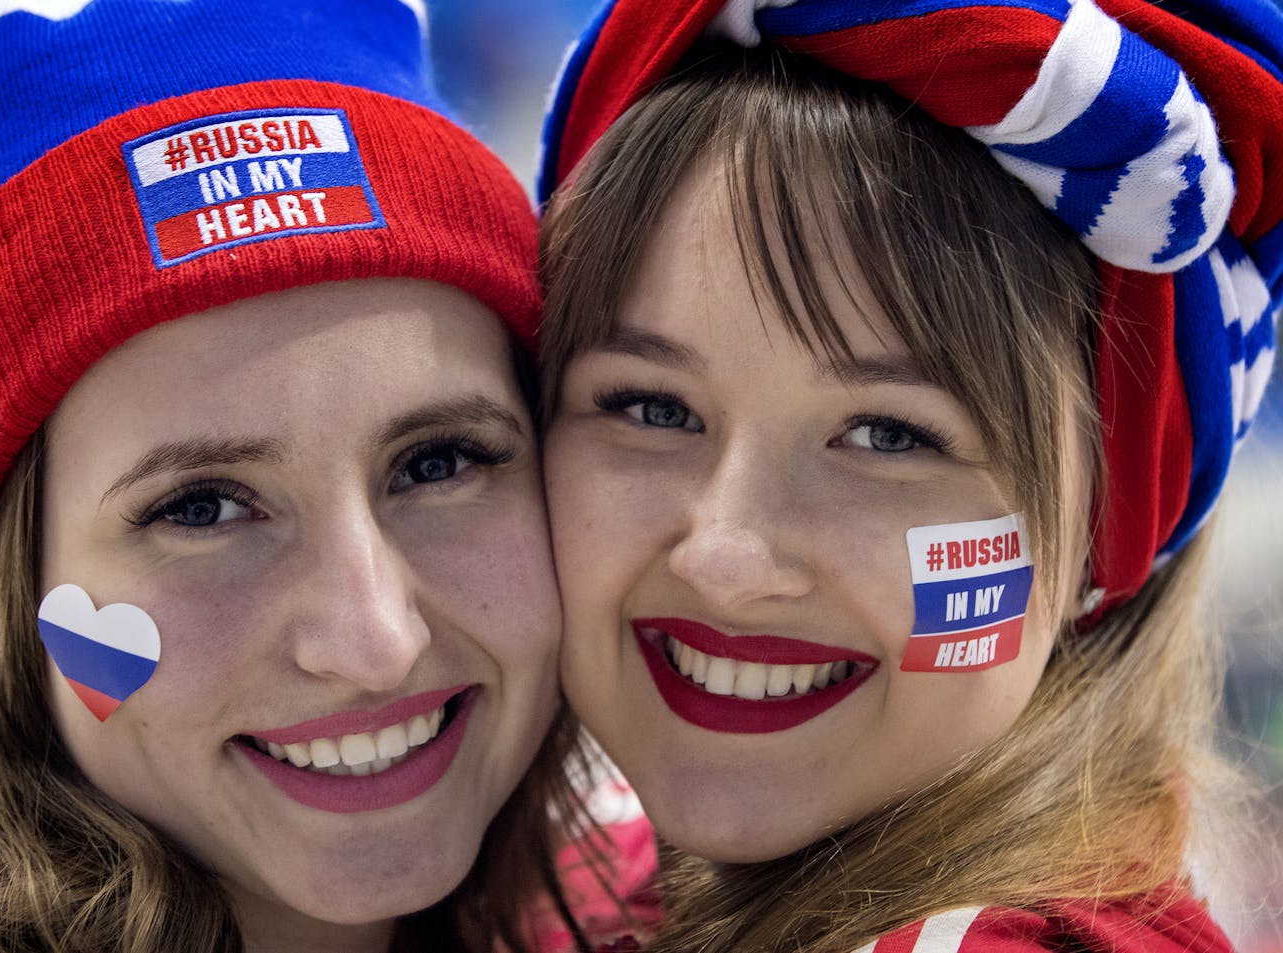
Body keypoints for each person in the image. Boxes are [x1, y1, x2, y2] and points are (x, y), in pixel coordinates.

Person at [534, 0, 1279, 950]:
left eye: (888, 435)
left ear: (1107, 520)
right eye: (652, 407)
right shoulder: (584, 877)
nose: (726, 556)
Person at [0, 0, 594, 950]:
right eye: (201, 507)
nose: (373, 641)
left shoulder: (683, 901)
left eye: (438, 462)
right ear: (6, 595)